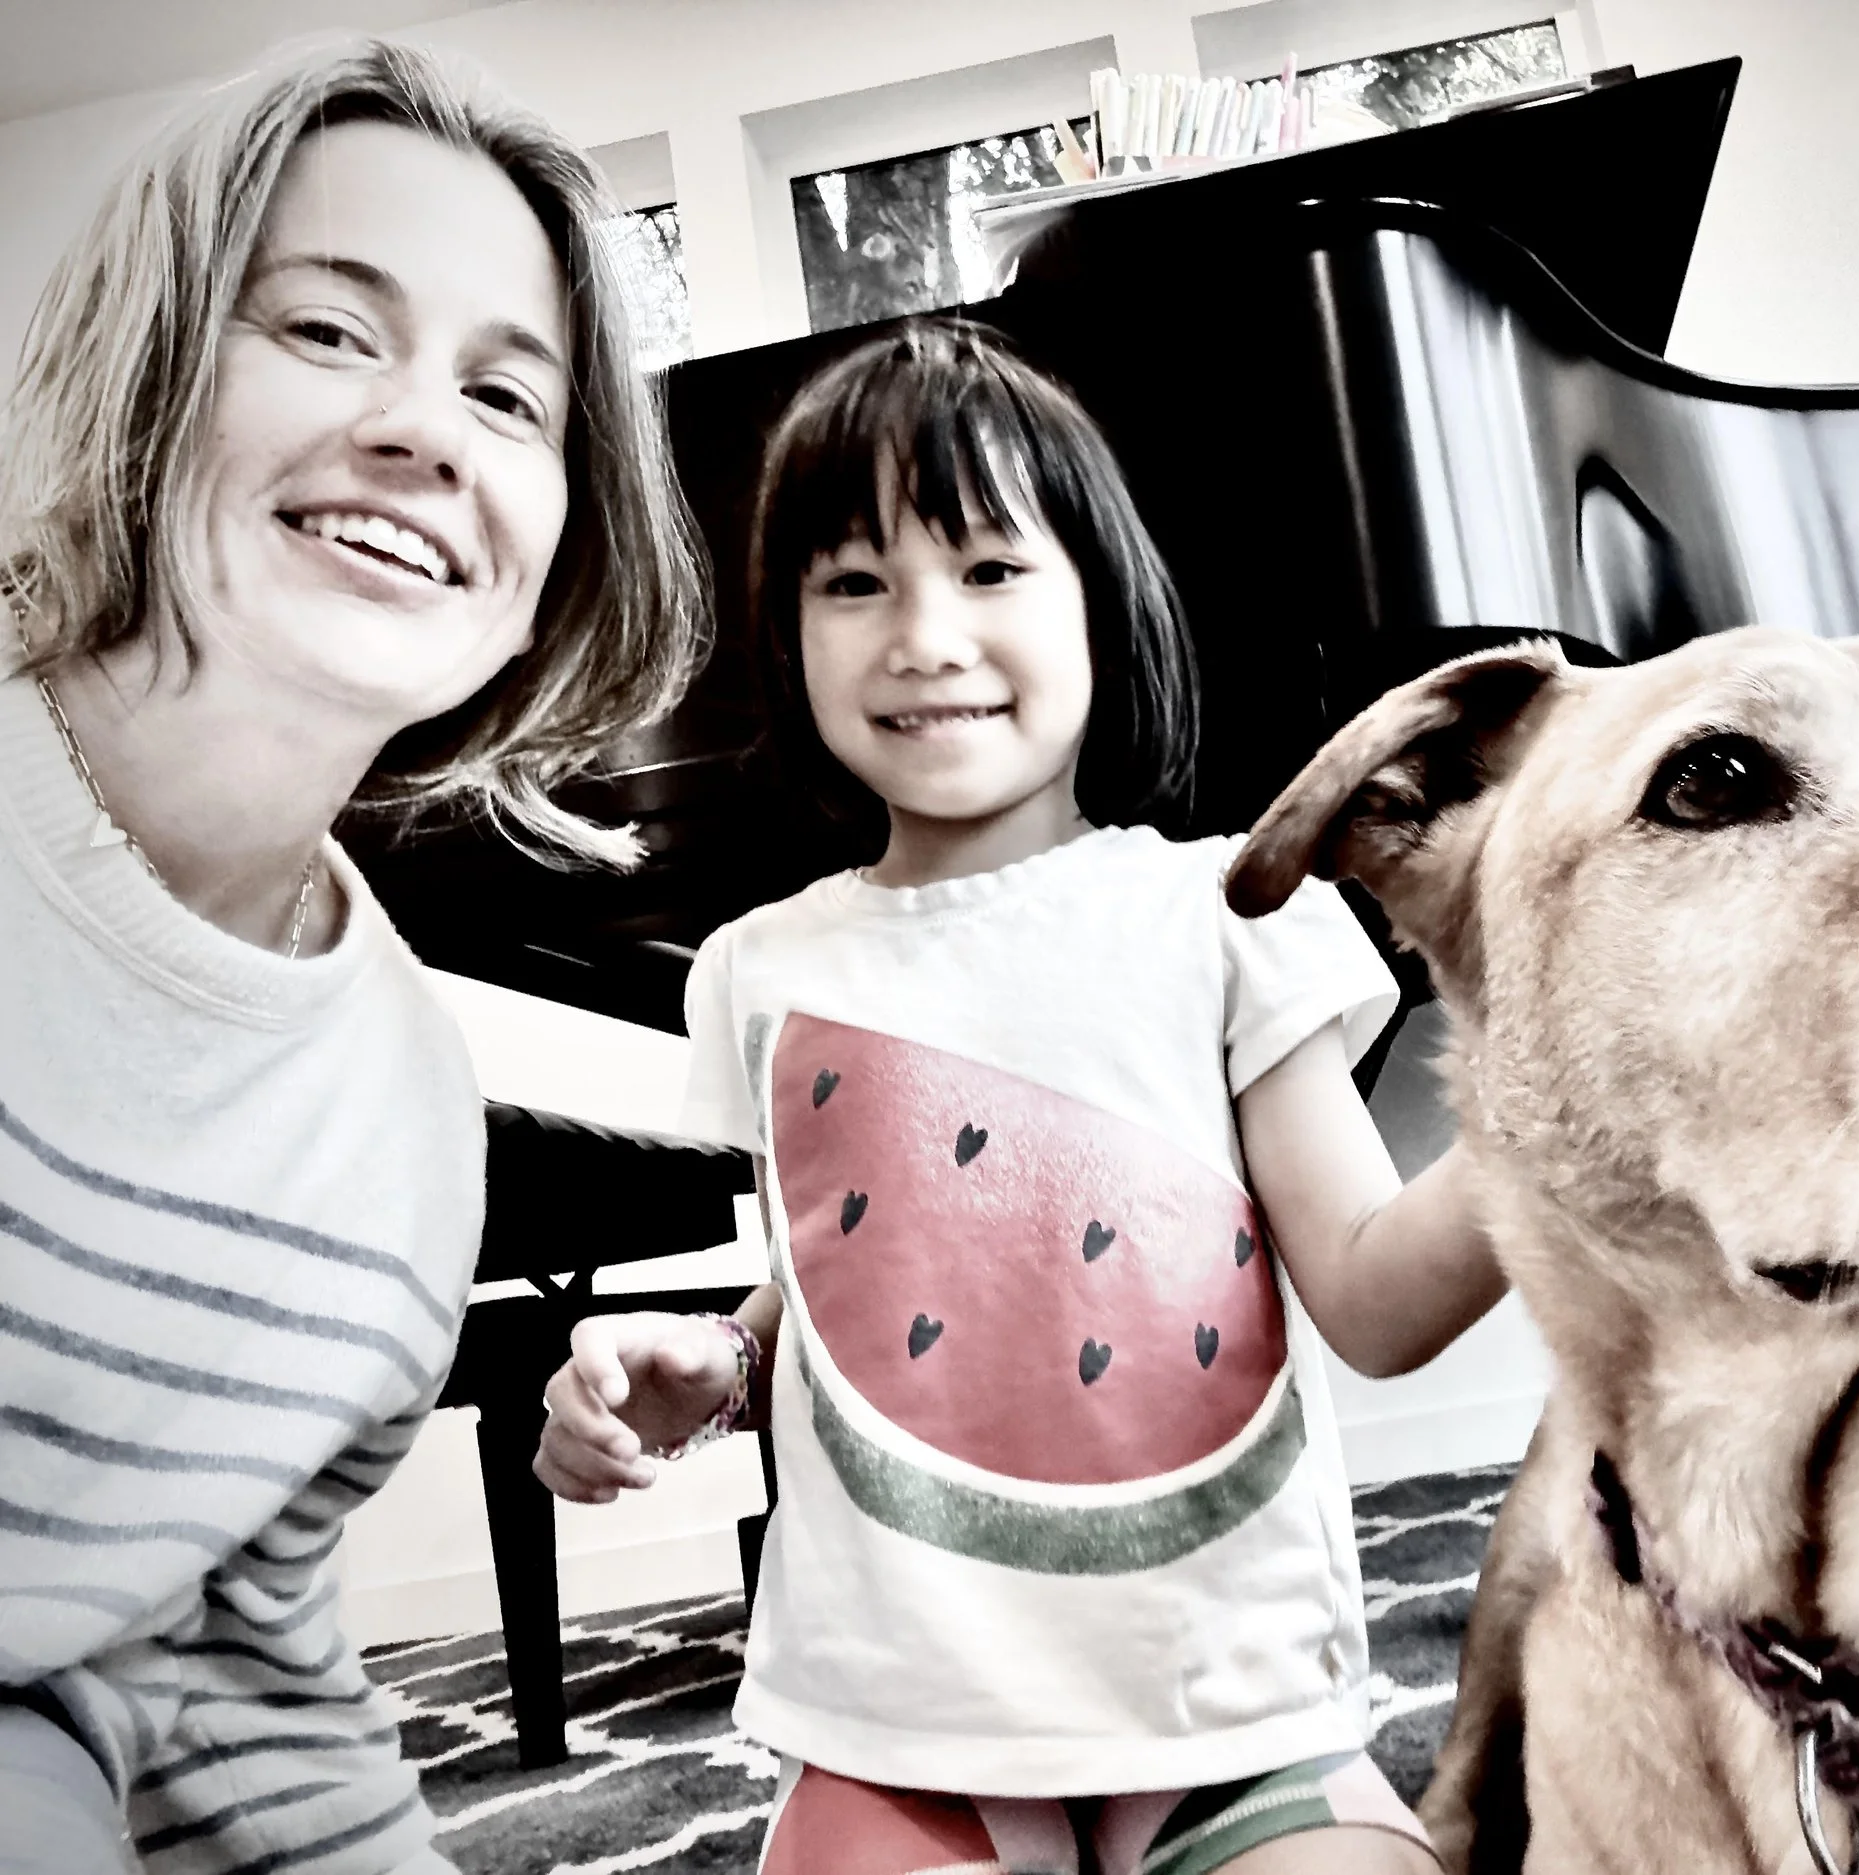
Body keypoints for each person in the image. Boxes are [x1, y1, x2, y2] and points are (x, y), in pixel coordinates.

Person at [532, 320, 1503, 1873]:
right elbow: (873, 1254)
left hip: (1227, 1713)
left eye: (989, 569)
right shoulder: (759, 969)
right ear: (787, 636)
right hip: (905, 1726)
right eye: (855, 583)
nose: (922, 632)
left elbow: (1377, 1299)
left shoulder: (1225, 910)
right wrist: (708, 1363)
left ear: (1102, 603)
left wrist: (1570, 1124)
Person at [0, 39, 709, 1875]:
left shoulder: (400, 1117)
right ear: (150, 364)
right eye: (326, 331)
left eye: (510, 397)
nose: (427, 433)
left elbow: (230, 1679)